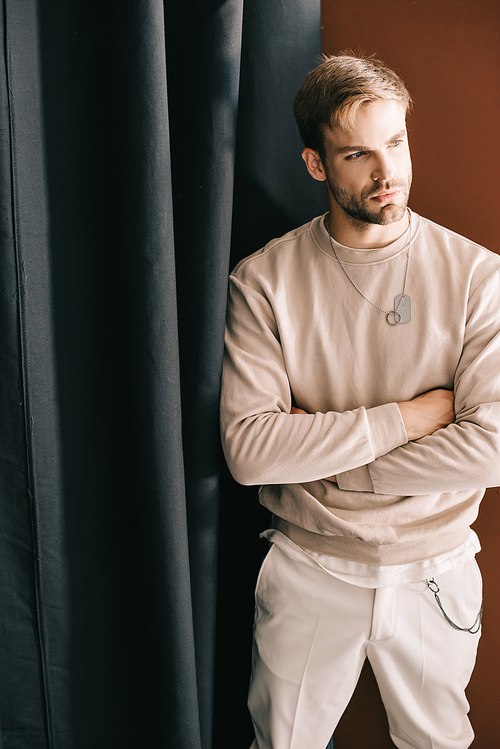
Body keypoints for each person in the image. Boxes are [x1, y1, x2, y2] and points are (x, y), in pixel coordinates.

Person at [220, 53, 500, 749]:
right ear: (316, 164)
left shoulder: (478, 276)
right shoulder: (263, 281)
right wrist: (410, 418)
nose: (388, 174)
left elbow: (491, 445)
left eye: (397, 143)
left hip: (435, 569)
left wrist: (339, 464)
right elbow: (252, 452)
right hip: (310, 566)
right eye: (358, 154)